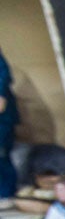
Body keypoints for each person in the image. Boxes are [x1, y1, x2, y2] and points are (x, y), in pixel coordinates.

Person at [0, 47, 17, 201]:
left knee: (1, 155)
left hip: (2, 119)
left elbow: (4, 75)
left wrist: (1, 95)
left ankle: (6, 196)